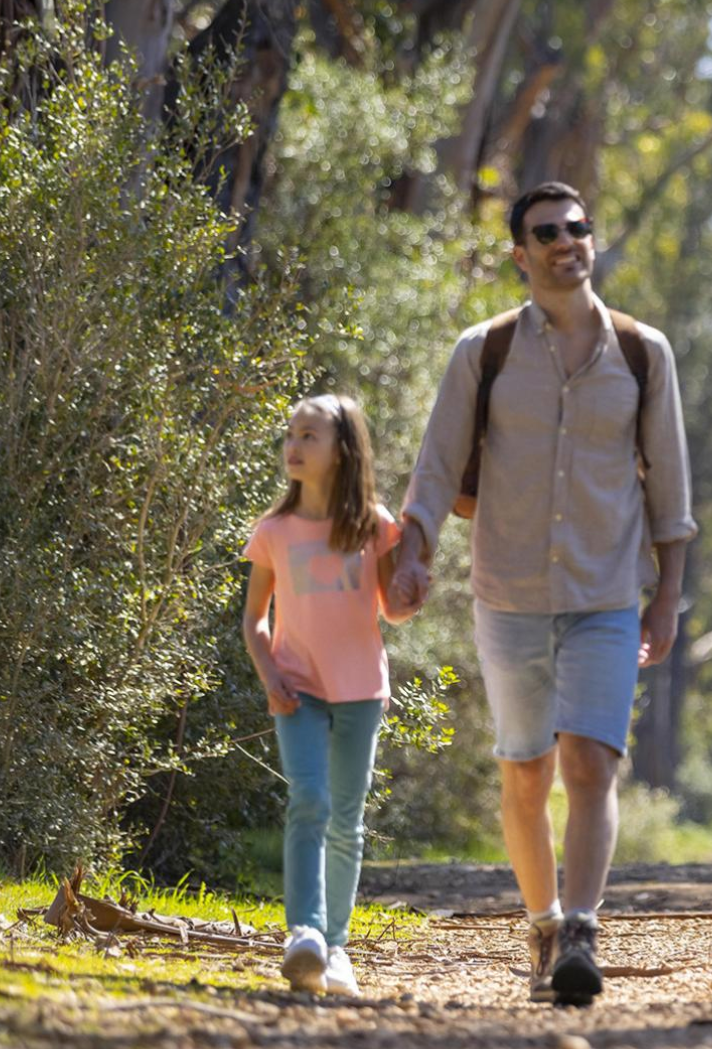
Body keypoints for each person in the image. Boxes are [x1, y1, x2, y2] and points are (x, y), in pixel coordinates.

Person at [387, 180, 696, 1006]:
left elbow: (671, 487)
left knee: (589, 760)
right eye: (547, 232)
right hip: (510, 592)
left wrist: (667, 597)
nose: (568, 241)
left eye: (578, 227)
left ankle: (583, 929)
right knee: (525, 772)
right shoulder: (481, 351)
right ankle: (541, 920)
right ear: (520, 255)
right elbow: (436, 468)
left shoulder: (642, 352)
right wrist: (412, 553)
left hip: (606, 593)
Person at [242, 394, 413, 997]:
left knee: (347, 819)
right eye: (291, 434)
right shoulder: (275, 531)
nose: (294, 445)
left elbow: (394, 609)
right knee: (308, 801)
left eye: (310, 435)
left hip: (362, 690)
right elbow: (254, 621)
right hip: (297, 687)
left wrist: (416, 579)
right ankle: (304, 936)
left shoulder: (374, 524)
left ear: (343, 449)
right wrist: (270, 673)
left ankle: (335, 948)